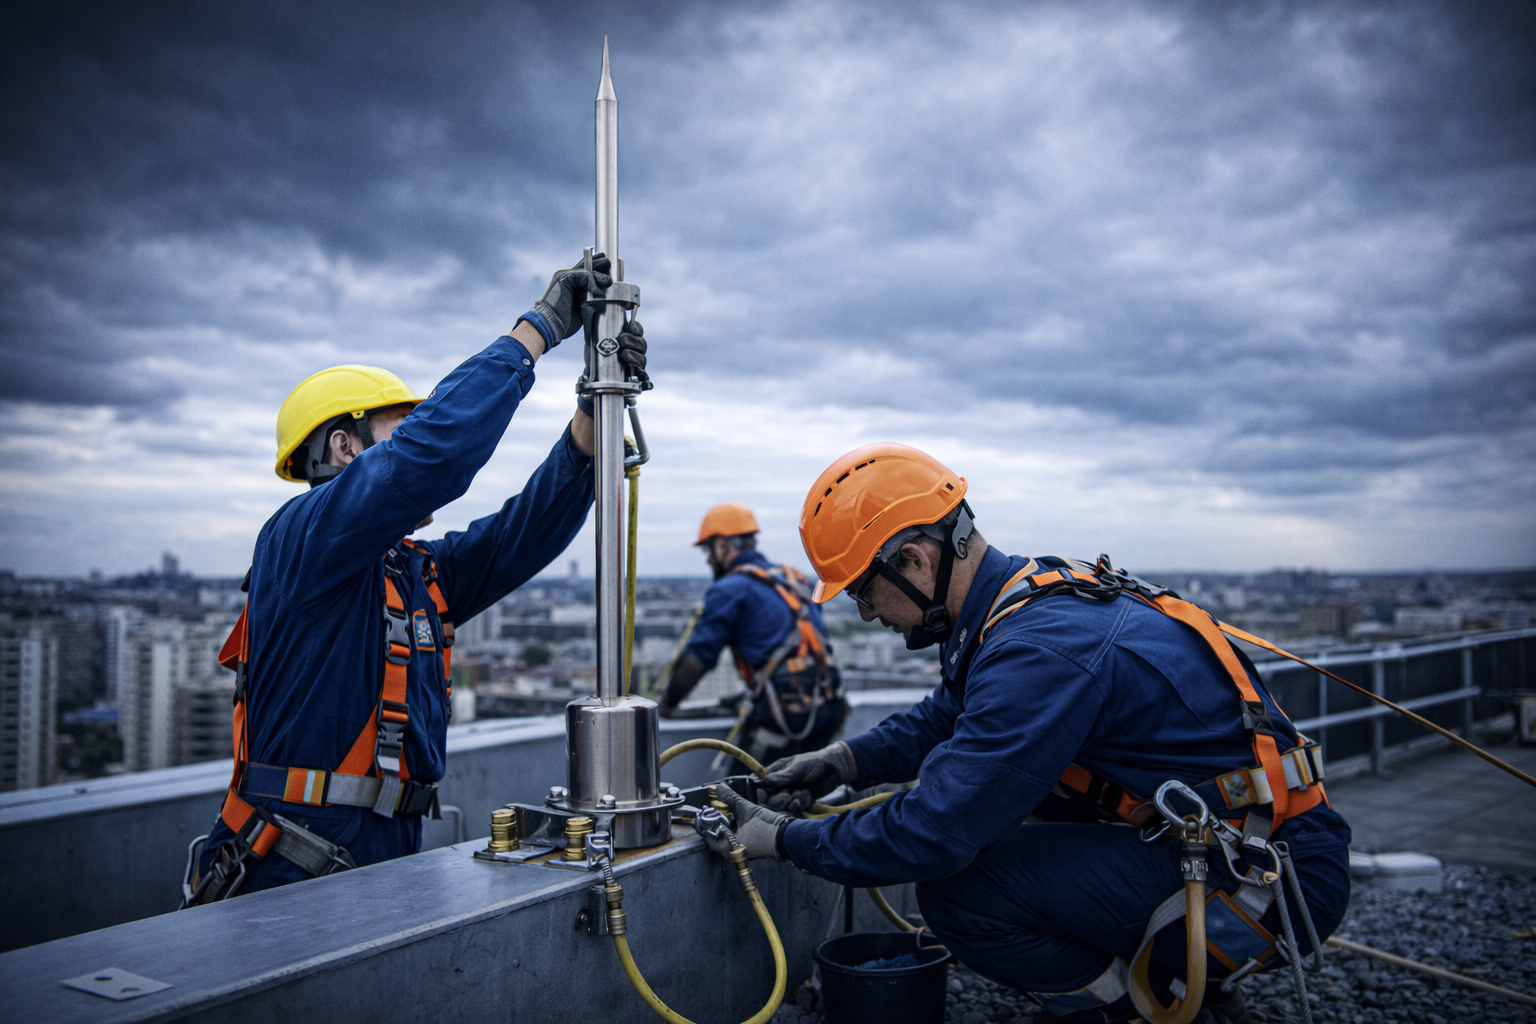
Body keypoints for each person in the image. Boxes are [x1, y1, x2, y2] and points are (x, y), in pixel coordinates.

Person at [704, 443, 1351, 1024]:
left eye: (864, 593)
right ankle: (1180, 981)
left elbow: (934, 832)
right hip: (1244, 846)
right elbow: (945, 717)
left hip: (1263, 882)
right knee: (1009, 819)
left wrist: (782, 839)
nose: (868, 612)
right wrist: (843, 761)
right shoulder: (1022, 602)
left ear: (913, 559)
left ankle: (1139, 1010)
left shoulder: (1040, 650)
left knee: (960, 889)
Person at [186, 254, 649, 901]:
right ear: (345, 448)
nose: (412, 435)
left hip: (376, 865)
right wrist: (537, 329)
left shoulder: (411, 573)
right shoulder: (302, 541)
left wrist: (593, 409)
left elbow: (522, 533)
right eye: (395, 428)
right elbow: (431, 457)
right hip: (289, 868)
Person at [655, 502, 846, 769]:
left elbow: (698, 658)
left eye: (707, 550)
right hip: (829, 703)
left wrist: (667, 704)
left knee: (743, 796)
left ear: (721, 546)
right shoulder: (795, 578)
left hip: (785, 714)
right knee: (801, 793)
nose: (708, 559)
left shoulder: (731, 588)